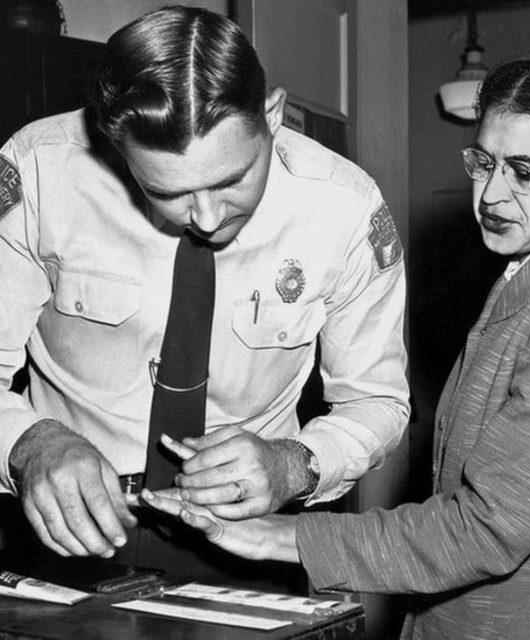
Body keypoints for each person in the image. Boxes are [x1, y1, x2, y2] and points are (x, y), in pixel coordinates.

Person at [145, 43, 530, 639]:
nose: (491, 195)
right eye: (483, 162)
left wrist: (277, 536)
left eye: (524, 172)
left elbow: (485, 531)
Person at [0, 5, 409, 582]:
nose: (210, 217)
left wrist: (294, 464)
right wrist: (30, 444)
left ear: (272, 113)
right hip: (64, 533)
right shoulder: (40, 171)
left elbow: (379, 401)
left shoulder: (344, 209)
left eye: (232, 179)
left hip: (253, 542)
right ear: (116, 147)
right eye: (168, 191)